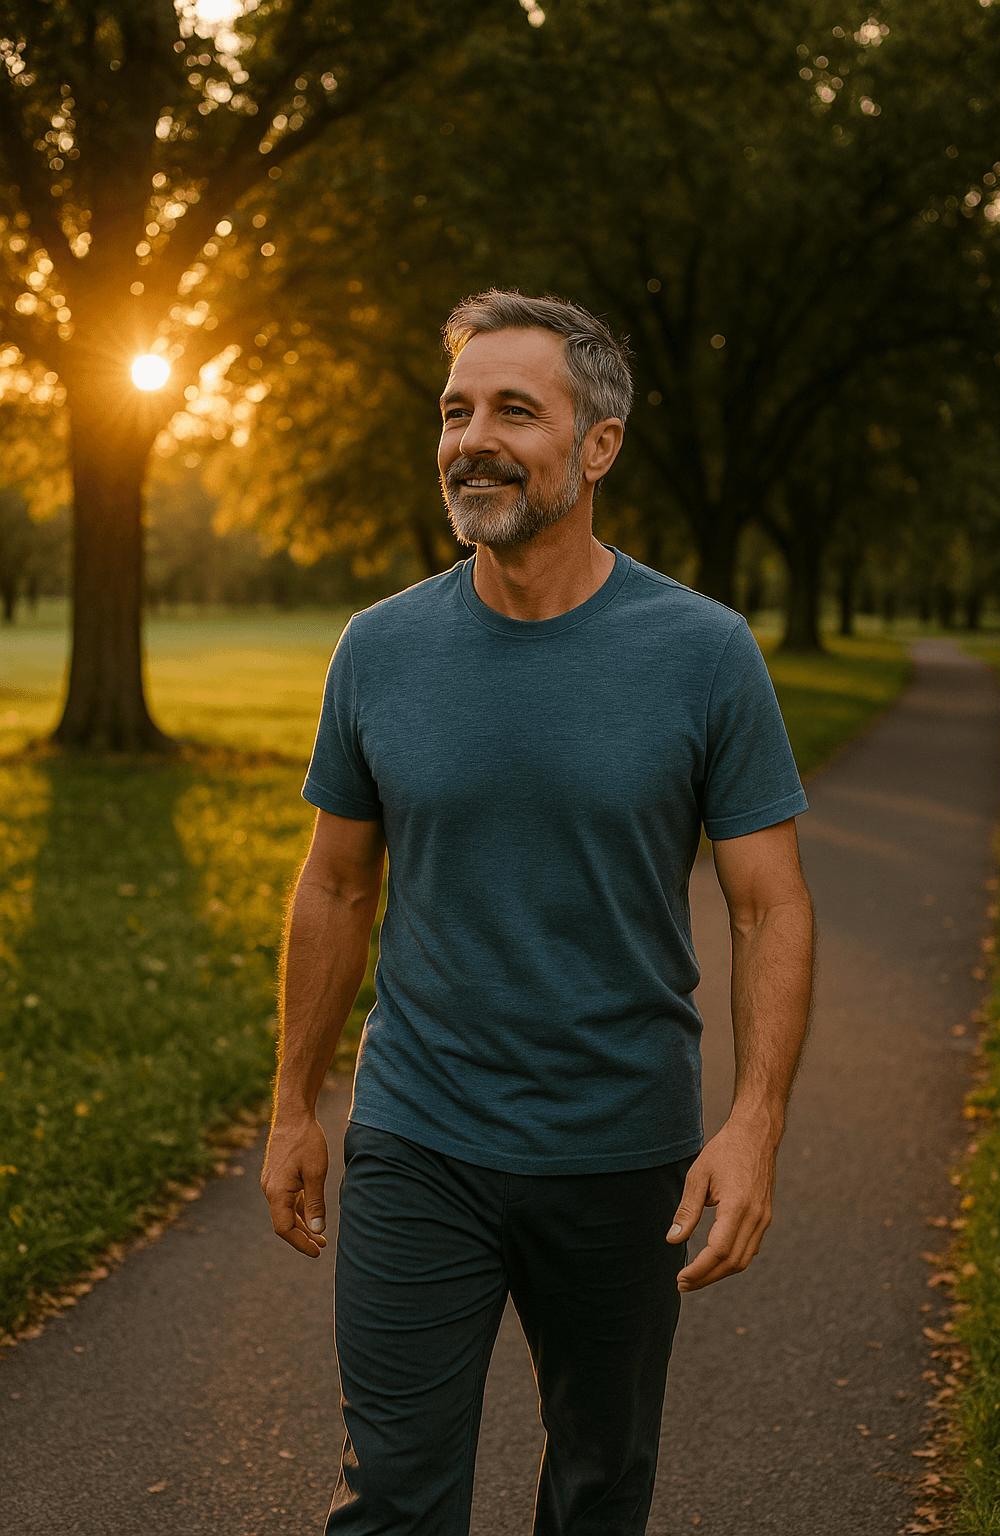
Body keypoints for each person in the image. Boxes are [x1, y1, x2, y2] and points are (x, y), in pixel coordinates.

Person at [261, 290, 814, 1536]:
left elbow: (769, 905)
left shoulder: (704, 652)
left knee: (598, 1488)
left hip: (622, 1149)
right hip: (419, 1138)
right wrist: (295, 1105)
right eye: (455, 412)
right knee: (393, 1501)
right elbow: (337, 883)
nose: (471, 438)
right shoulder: (379, 650)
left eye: (515, 409)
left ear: (598, 444)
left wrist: (754, 1121)